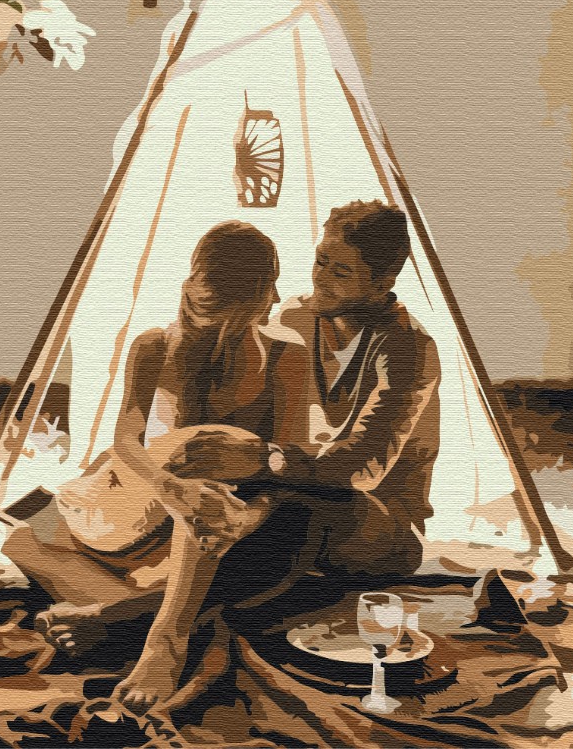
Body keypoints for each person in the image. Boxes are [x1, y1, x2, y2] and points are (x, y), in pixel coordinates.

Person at [123, 199, 442, 706]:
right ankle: (156, 619)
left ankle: (123, 620)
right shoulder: (295, 316)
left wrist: (261, 460)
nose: (321, 280)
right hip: (289, 487)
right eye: (320, 261)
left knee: (298, 513)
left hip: (377, 518)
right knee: (229, 505)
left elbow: (363, 468)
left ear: (382, 283)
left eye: (341, 272)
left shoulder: (408, 348)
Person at [1, 221, 307, 708]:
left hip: (215, 513)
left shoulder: (285, 355)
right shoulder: (155, 346)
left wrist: (248, 516)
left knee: (231, 495)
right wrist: (169, 486)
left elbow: (287, 462)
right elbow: (126, 440)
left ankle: (128, 625)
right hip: (146, 491)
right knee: (199, 454)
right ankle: (154, 631)